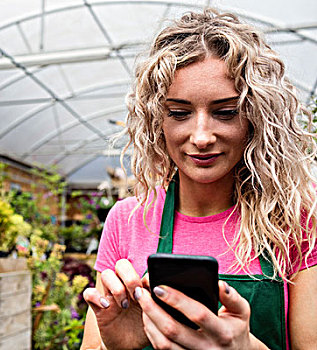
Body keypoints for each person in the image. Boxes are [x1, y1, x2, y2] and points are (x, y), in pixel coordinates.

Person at [81, 9, 317, 350]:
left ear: (255, 117)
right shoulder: (127, 219)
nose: (202, 136)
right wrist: (115, 345)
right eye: (179, 113)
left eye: (225, 112)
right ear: (156, 121)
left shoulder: (296, 220)